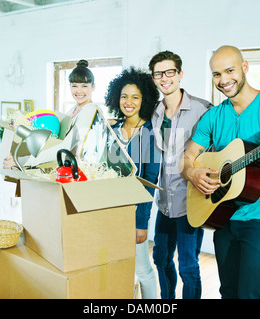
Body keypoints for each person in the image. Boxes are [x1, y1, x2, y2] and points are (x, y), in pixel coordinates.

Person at [180, 45, 260, 299]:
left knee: (251, 295)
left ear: (244, 67)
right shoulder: (213, 116)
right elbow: (187, 158)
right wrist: (192, 174)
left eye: (229, 71)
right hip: (223, 216)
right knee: (229, 292)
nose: (223, 80)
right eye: (216, 74)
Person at [149, 50, 213, 299]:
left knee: (188, 267)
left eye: (170, 72)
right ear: (153, 79)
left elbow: (214, 155)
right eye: (158, 74)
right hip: (165, 203)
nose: (165, 78)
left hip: (190, 204)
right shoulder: (154, 113)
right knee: (161, 258)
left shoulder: (203, 110)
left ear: (180, 74)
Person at [104, 67, 161, 299]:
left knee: (142, 269)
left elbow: (148, 183)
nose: (129, 102)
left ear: (144, 100)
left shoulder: (151, 134)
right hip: (111, 212)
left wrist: (141, 223)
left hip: (135, 213)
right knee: (117, 266)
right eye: (124, 96)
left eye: (135, 97)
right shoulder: (113, 130)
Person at [3, 59, 98, 169]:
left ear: (93, 87)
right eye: (74, 86)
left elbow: (65, 147)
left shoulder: (90, 110)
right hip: (62, 166)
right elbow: (55, 141)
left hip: (78, 170)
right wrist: (12, 156)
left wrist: (22, 160)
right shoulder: (73, 110)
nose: (79, 91)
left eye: (84, 86)